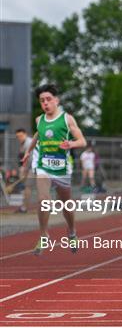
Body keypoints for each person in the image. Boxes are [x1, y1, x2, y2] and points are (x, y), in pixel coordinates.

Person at [22, 84, 87, 255]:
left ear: (56, 100)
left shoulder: (67, 119)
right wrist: (28, 152)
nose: (45, 103)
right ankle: (44, 236)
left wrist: (71, 143)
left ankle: (72, 232)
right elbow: (38, 134)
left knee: (66, 205)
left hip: (62, 167)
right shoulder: (39, 120)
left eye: (48, 99)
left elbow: (82, 141)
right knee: (43, 201)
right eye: (42, 100)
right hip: (44, 165)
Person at [15, 128, 34, 213]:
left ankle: (24, 207)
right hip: (31, 168)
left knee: (28, 187)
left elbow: (30, 158)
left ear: (25, 134)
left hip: (34, 167)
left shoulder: (29, 143)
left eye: (21, 136)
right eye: (18, 136)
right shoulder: (23, 144)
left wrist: (25, 171)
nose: (19, 138)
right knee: (28, 187)